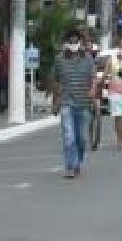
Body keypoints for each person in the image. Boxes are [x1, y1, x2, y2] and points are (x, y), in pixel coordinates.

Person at [51, 31, 98, 178]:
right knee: (69, 136)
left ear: (80, 43)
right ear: (66, 43)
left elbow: (94, 78)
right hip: (66, 102)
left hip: (84, 103)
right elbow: (54, 79)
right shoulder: (59, 60)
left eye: (76, 41)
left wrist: (92, 90)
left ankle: (77, 162)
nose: (73, 44)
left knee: (81, 138)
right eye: (70, 41)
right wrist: (56, 97)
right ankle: (70, 166)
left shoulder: (88, 59)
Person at [106, 47, 122, 150]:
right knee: (118, 117)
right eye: (121, 47)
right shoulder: (111, 60)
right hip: (115, 93)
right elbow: (105, 73)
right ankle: (119, 139)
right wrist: (101, 82)